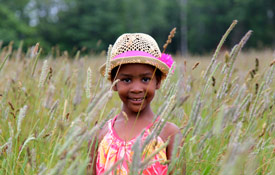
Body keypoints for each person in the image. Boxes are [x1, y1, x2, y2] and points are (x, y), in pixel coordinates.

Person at [88, 33, 183, 175]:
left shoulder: (169, 133)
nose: (137, 89)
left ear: (158, 81)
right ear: (114, 83)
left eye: (145, 79)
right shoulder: (100, 134)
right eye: (126, 80)